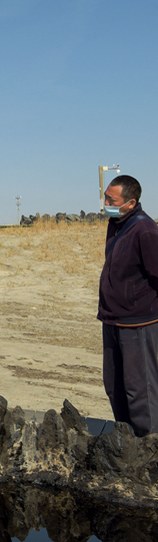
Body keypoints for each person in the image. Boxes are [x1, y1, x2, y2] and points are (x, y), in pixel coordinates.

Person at [98, 175, 158, 437]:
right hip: (112, 320)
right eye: (106, 197)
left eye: (111, 200)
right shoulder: (117, 224)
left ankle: (151, 449)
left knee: (141, 390)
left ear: (131, 203)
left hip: (139, 323)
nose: (106, 203)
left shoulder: (145, 230)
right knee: (114, 385)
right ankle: (125, 443)